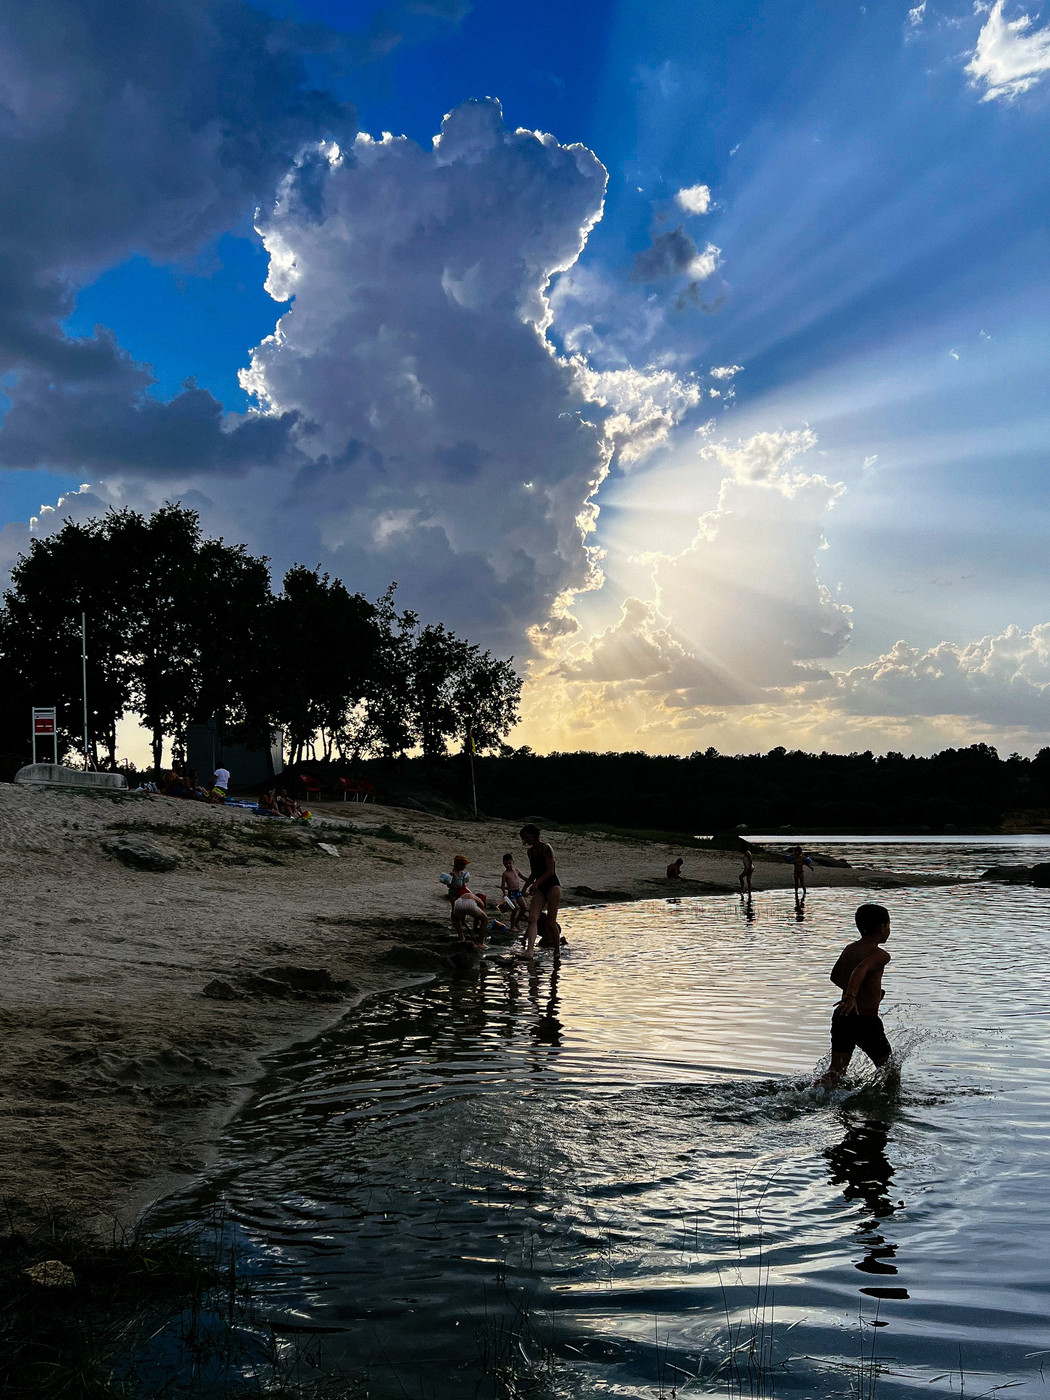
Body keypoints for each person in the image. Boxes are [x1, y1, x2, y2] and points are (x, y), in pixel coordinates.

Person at [815, 903, 893, 1089]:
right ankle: (885, 1106)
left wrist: (857, 994)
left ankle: (813, 1095)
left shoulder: (850, 948)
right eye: (889, 926)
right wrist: (851, 996)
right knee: (890, 1069)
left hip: (843, 1016)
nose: (889, 930)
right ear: (882, 928)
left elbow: (835, 976)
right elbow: (861, 969)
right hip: (865, 1019)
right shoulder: (880, 954)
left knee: (836, 1071)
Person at [520, 824, 560, 959]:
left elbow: (550, 871)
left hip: (552, 885)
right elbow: (533, 873)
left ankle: (557, 951)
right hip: (540, 887)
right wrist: (525, 887)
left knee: (551, 922)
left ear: (535, 835)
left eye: (528, 836)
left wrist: (536, 883)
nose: (526, 840)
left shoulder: (546, 848)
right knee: (532, 918)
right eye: (524, 838)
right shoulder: (530, 852)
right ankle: (530, 951)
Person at [500, 853, 529, 930]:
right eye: (506, 864)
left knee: (524, 908)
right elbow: (502, 885)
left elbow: (524, 878)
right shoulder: (505, 874)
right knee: (515, 909)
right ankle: (512, 926)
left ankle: (517, 921)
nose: (508, 865)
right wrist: (504, 893)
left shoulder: (516, 871)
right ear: (503, 864)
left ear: (513, 862)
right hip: (511, 893)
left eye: (509, 863)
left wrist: (531, 880)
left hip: (518, 892)